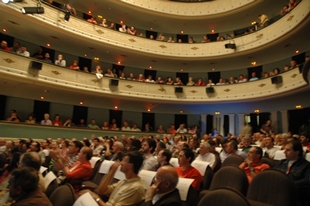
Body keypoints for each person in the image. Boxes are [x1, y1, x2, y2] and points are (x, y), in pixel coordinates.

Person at [78, 151, 145, 206]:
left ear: (130, 166)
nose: (121, 163)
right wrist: (112, 171)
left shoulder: (135, 188)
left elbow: (99, 195)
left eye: (124, 161)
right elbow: (101, 191)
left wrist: (96, 197)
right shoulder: (124, 181)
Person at [274, 140, 310, 205]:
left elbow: (306, 181)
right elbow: (272, 173)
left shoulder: (306, 165)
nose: (284, 152)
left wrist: (288, 184)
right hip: (278, 193)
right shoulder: (282, 162)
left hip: (296, 197)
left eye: (288, 150)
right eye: (285, 149)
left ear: (296, 152)